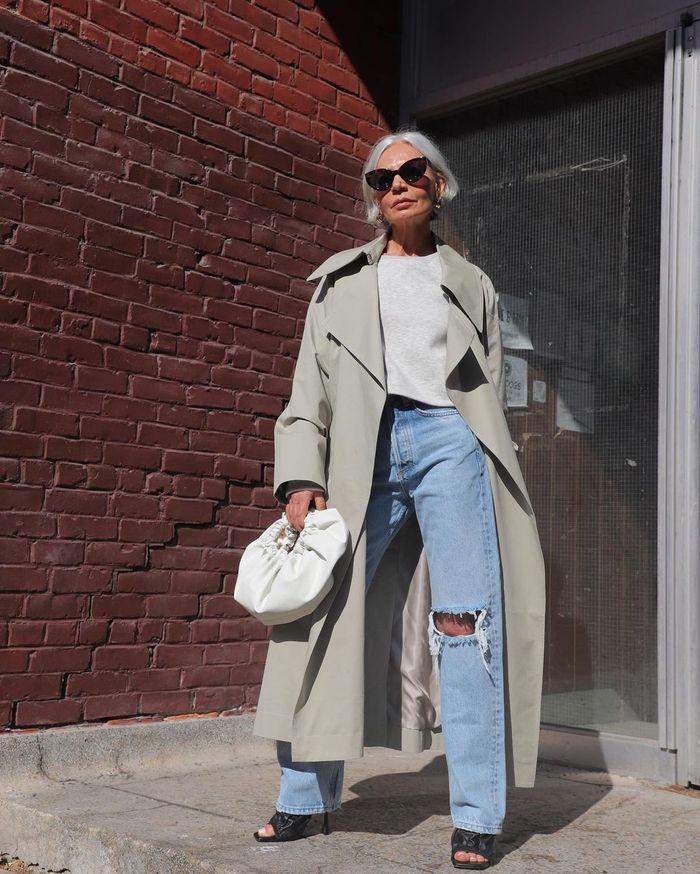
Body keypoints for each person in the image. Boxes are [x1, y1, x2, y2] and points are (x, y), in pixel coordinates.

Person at [250, 127, 546, 870]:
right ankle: (303, 797)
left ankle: (476, 815)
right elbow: (308, 390)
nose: (398, 186)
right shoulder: (341, 282)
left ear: (437, 184)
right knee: (322, 611)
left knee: (466, 625)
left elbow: (489, 383)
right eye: (382, 180)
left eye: (412, 171)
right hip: (364, 450)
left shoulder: (472, 283)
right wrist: (301, 475)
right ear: (373, 199)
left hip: (451, 444)